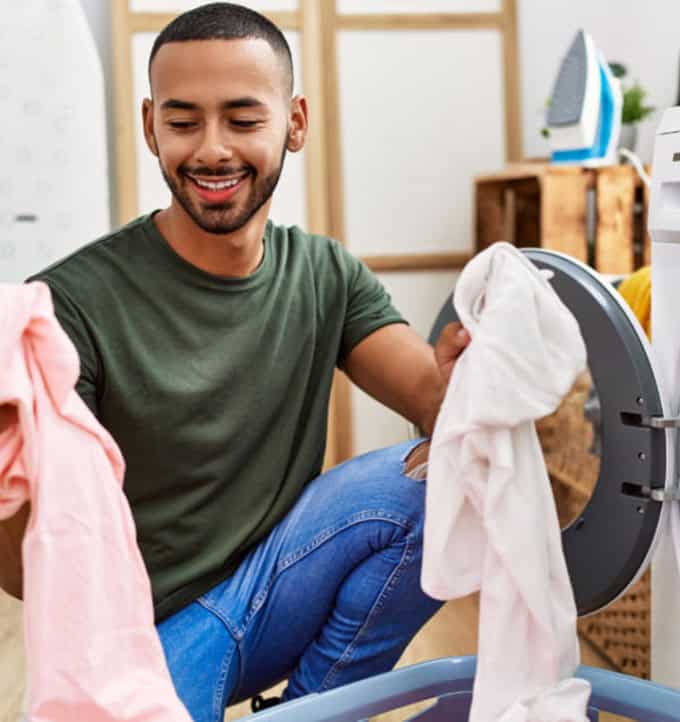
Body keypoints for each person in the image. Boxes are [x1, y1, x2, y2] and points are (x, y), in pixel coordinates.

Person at [0, 4, 470, 721]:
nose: (212, 150)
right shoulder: (70, 304)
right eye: (184, 122)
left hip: (277, 583)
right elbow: (28, 566)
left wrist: (468, 381)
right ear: (152, 124)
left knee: (442, 478)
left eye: (244, 120)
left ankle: (314, 710)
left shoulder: (324, 275)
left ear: (296, 122)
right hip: (148, 635)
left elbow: (433, 399)